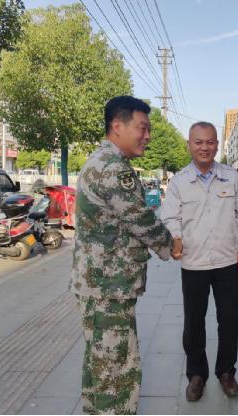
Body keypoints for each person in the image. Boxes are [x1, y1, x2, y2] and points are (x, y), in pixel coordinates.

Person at [71, 96, 173, 415]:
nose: (147, 136)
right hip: (108, 287)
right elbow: (140, 219)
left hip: (97, 284)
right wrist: (172, 245)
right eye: (141, 128)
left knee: (98, 364)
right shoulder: (115, 169)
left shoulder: (100, 160)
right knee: (116, 371)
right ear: (117, 126)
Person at [161, 121, 238, 402]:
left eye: (210, 142)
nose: (204, 147)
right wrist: (176, 237)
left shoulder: (230, 176)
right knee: (194, 323)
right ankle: (196, 375)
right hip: (194, 263)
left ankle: (226, 372)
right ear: (190, 144)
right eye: (198, 142)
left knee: (229, 321)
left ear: (217, 145)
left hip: (227, 262)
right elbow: (169, 216)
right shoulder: (178, 182)